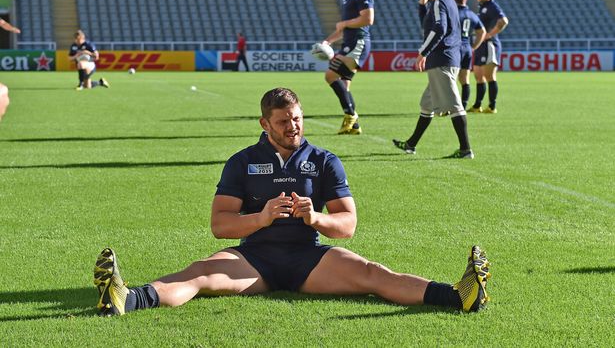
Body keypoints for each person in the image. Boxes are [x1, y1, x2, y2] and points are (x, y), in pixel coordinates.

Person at [93, 87, 491, 316]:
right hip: (253, 258)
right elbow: (220, 224)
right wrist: (261, 219)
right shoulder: (243, 161)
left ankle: (459, 295)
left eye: (297, 118)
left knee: (373, 273)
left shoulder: (324, 161)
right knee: (198, 273)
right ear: (265, 124)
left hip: (310, 259)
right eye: (283, 122)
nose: (293, 127)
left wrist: (315, 217)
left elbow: (348, 225)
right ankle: (126, 298)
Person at [393, 0, 474, 159]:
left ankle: (466, 150)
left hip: (442, 59)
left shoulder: (439, 2)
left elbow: (438, 29)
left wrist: (423, 52)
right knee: (426, 104)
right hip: (449, 58)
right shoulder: (447, 0)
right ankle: (411, 144)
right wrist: (422, 3)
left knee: (455, 106)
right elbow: (428, 26)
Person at [320, 0, 374, 135]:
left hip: (358, 43)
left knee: (330, 75)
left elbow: (368, 19)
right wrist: (328, 41)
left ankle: (351, 115)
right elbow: (344, 28)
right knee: (344, 84)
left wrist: (345, 23)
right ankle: (354, 126)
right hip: (349, 43)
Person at [468, 0, 509, 114]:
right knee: (478, 75)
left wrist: (490, 35)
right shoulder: (483, 7)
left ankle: (492, 106)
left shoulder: (492, 6)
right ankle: (477, 105)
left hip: (490, 45)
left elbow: (504, 21)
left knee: (489, 75)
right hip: (481, 45)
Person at [453, 0, 485, 110]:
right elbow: (482, 32)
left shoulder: (453, 13)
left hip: (454, 48)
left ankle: (450, 107)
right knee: (465, 79)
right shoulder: (471, 14)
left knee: (452, 79)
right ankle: (463, 105)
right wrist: (474, 47)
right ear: (465, 0)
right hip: (467, 48)